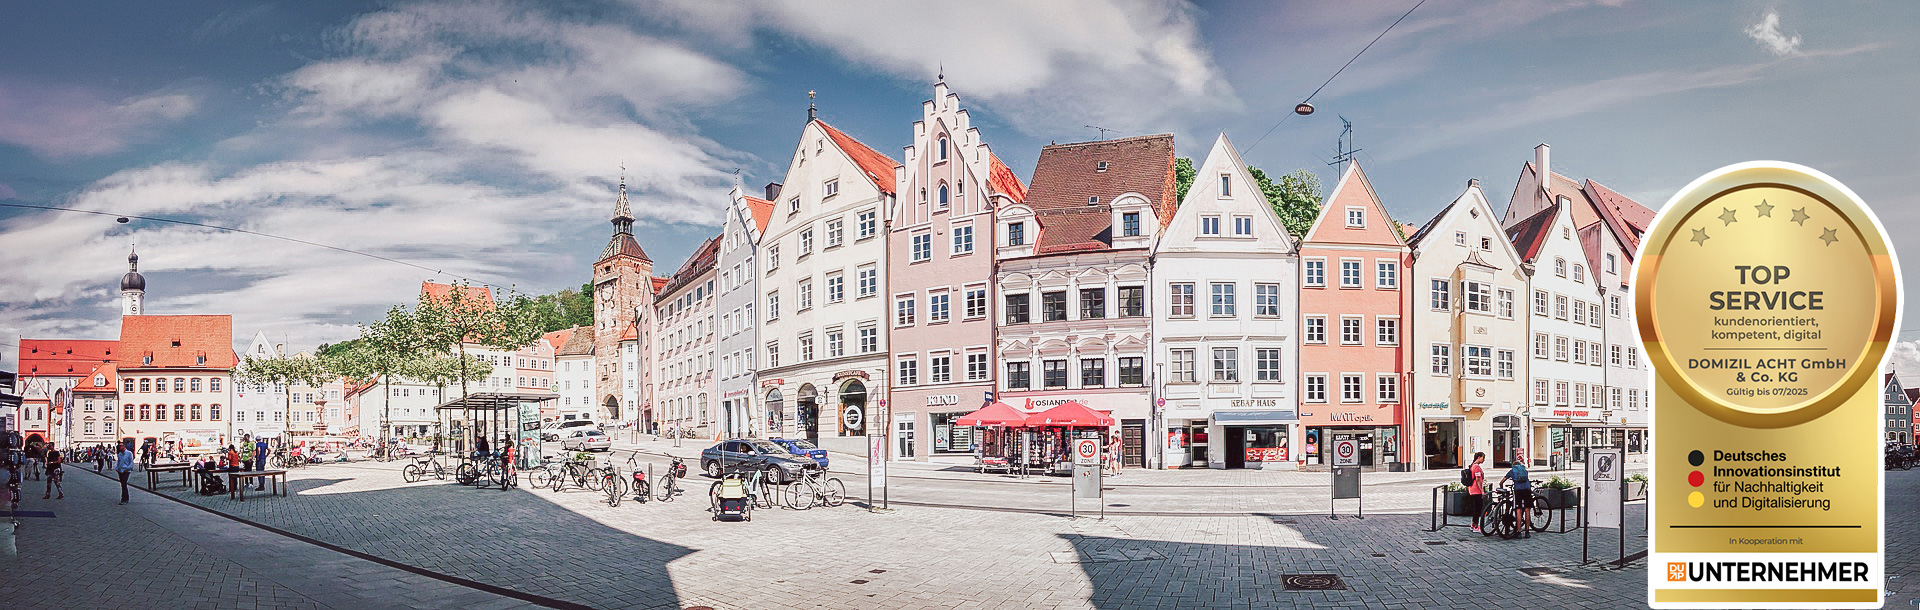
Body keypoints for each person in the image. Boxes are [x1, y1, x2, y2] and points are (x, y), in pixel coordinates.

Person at [1502, 449, 1533, 538]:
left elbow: (1502, 481)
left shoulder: (1512, 471)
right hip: (1527, 489)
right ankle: (1527, 532)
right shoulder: (1524, 469)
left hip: (1518, 490)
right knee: (1527, 510)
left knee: (1518, 510)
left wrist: (1501, 486)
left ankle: (1518, 532)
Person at [1467, 452, 1487, 533]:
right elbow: (1478, 480)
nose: (1484, 460)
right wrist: (1482, 491)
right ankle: (1475, 526)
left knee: (1476, 508)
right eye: (1483, 458)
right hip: (1476, 490)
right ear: (1479, 457)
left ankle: (1473, 525)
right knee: (1477, 509)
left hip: (1472, 489)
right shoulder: (1476, 467)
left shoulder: (1472, 465)